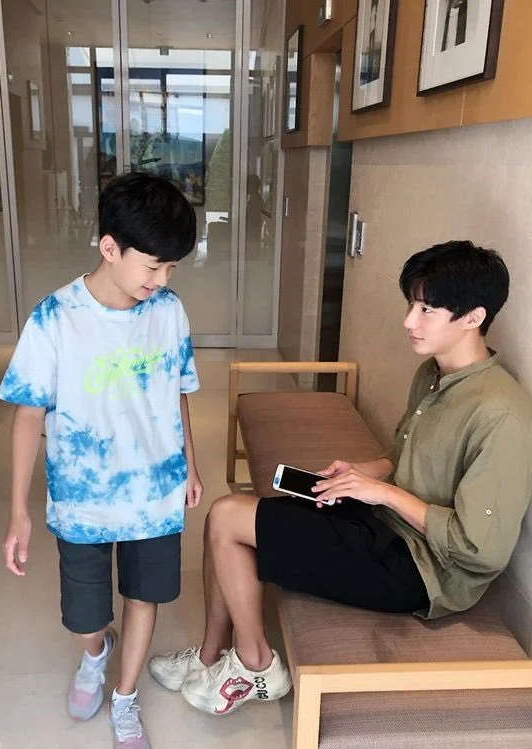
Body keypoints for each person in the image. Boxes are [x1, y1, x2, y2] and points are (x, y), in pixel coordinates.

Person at [149, 240, 532, 716]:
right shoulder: (433, 374)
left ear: (473, 317)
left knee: (229, 518)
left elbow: (481, 549)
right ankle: (210, 657)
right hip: (386, 525)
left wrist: (383, 493)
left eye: (427, 309)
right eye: (411, 304)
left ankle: (256, 665)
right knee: (222, 517)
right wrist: (363, 473)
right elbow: (406, 454)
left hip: (424, 571)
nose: (408, 321)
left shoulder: (501, 416)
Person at [0, 172, 203, 748]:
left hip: (154, 490)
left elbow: (178, 391)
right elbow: (28, 415)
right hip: (82, 499)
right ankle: (96, 654)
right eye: (153, 267)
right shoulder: (55, 317)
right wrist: (18, 511)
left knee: (144, 595)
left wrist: (189, 463)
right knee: (84, 617)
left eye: (172, 269)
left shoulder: (168, 311)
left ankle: (125, 697)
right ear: (110, 248)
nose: (161, 281)